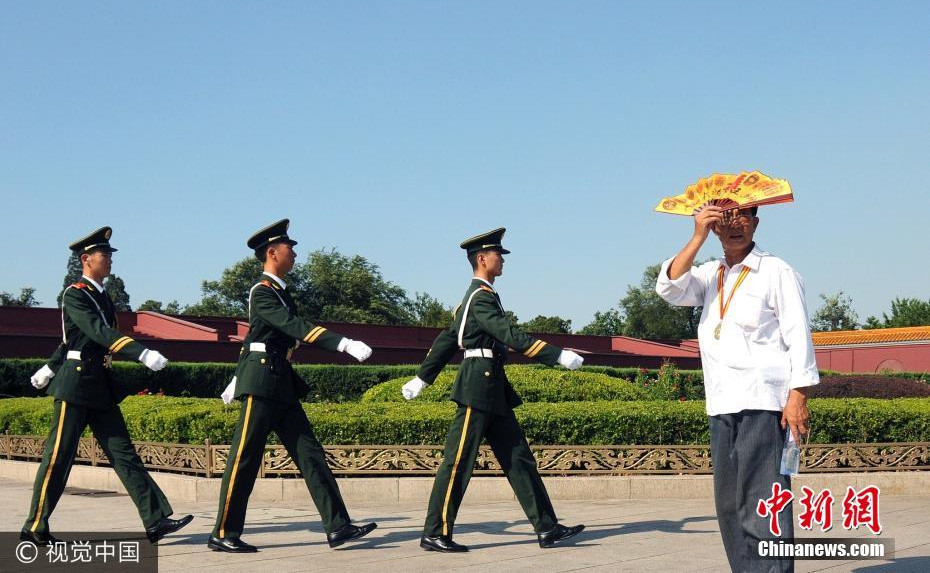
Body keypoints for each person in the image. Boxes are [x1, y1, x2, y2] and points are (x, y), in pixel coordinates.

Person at [655, 205, 819, 572]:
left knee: (762, 503)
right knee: (729, 507)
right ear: (715, 229)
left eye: (743, 217)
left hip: (763, 402)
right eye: (725, 220)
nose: (734, 226)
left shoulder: (776, 271)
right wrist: (696, 234)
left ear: (756, 223)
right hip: (721, 402)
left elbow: (799, 337)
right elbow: (668, 287)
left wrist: (798, 396)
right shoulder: (709, 274)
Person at [403, 227, 586, 553]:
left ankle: (547, 527)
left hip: (491, 388)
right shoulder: (480, 298)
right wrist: (556, 354)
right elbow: (508, 334)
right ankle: (434, 532)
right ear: (482, 259)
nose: (502, 259)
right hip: (477, 387)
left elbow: (447, 339)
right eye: (498, 254)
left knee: (519, 459)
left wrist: (422, 378)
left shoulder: (477, 298)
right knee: (458, 462)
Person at [208, 219, 377, 553]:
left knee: (310, 455)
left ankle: (338, 526)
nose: (295, 253)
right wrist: (342, 343)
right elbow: (293, 327)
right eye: (290, 247)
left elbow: (258, 336)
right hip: (262, 384)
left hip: (279, 382)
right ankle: (223, 532)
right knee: (244, 459)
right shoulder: (262, 292)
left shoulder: (280, 293)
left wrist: (236, 374)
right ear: (272, 252)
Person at [23, 227, 193, 545]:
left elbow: (76, 338)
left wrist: (47, 366)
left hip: (99, 385)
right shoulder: (74, 294)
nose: (110, 260)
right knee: (58, 457)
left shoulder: (102, 297)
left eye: (111, 254)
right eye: (105, 254)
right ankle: (34, 526)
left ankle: (155, 520)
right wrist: (139, 351)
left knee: (124, 454)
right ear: (87, 259)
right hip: (75, 386)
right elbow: (95, 331)